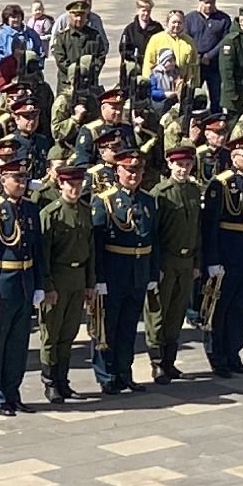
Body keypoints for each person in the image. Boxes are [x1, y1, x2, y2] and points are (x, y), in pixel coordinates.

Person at [0, 158, 44, 416]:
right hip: (2, 284)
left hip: (24, 282)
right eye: (16, 178)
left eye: (25, 178)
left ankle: (13, 392)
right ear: (3, 180)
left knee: (18, 343)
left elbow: (37, 249)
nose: (22, 183)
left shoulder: (30, 209)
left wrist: (39, 284)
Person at [92, 148, 158, 394]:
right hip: (114, 272)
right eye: (129, 170)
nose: (134, 175)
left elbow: (154, 240)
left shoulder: (148, 200)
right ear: (117, 170)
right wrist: (98, 278)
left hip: (138, 272)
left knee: (129, 327)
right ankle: (106, 374)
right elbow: (97, 244)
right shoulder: (104, 200)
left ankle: (124, 371)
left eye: (138, 170)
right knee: (106, 327)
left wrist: (152, 273)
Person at [202, 135, 243, 378]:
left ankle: (234, 353)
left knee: (239, 308)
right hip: (226, 251)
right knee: (220, 306)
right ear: (233, 157)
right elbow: (211, 225)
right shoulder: (221, 184)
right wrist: (213, 260)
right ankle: (217, 357)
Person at [142, 146, 202, 385]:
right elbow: (153, 234)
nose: (182, 169)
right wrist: (155, 265)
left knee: (177, 312)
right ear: (169, 164)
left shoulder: (194, 191)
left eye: (187, 165)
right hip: (166, 260)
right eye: (178, 165)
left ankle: (169, 361)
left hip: (187, 262)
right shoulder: (160, 193)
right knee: (158, 312)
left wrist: (198, 261)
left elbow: (197, 230)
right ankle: (157, 364)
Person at [37, 164, 92, 402]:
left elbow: (91, 251)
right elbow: (43, 255)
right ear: (61, 184)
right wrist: (47, 286)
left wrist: (90, 283)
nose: (75, 189)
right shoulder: (50, 214)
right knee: (51, 332)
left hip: (77, 278)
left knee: (69, 332)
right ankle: (50, 382)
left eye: (79, 185)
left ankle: (63, 380)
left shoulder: (85, 211)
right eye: (71, 185)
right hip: (57, 279)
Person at [186, 0, 231, 105]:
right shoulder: (190, 18)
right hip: (195, 65)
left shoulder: (223, 19)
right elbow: (186, 39)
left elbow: (225, 40)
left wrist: (209, 56)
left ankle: (215, 119)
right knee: (193, 96)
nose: (209, 5)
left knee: (216, 98)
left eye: (212, 2)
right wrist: (198, 56)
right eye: (206, 3)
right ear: (200, 2)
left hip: (214, 64)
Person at [52, 0, 108, 87]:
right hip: (67, 84)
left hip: (89, 84)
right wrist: (75, 74)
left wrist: (89, 73)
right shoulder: (62, 37)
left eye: (82, 15)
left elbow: (100, 56)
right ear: (70, 15)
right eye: (76, 15)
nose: (79, 19)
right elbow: (60, 59)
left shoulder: (95, 35)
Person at [74, 88, 135, 166]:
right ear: (103, 109)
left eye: (120, 108)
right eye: (114, 108)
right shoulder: (90, 130)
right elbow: (82, 162)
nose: (119, 112)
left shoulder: (127, 127)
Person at [143, 7, 198, 82]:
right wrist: (148, 82)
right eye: (174, 22)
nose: (176, 25)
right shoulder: (156, 39)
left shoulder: (189, 41)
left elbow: (194, 65)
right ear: (167, 23)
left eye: (179, 23)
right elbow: (148, 63)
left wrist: (195, 83)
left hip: (182, 84)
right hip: (160, 83)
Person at [0, 4, 45, 72]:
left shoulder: (30, 33)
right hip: (8, 73)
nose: (16, 19)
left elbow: (40, 50)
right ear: (7, 19)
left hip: (31, 72)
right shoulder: (0, 36)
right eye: (13, 17)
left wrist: (36, 65)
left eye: (18, 17)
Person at [148, 48, 183, 116]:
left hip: (174, 102)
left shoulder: (176, 72)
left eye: (173, 60)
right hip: (160, 103)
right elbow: (152, 92)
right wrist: (164, 94)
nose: (173, 63)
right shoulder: (155, 74)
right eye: (169, 61)